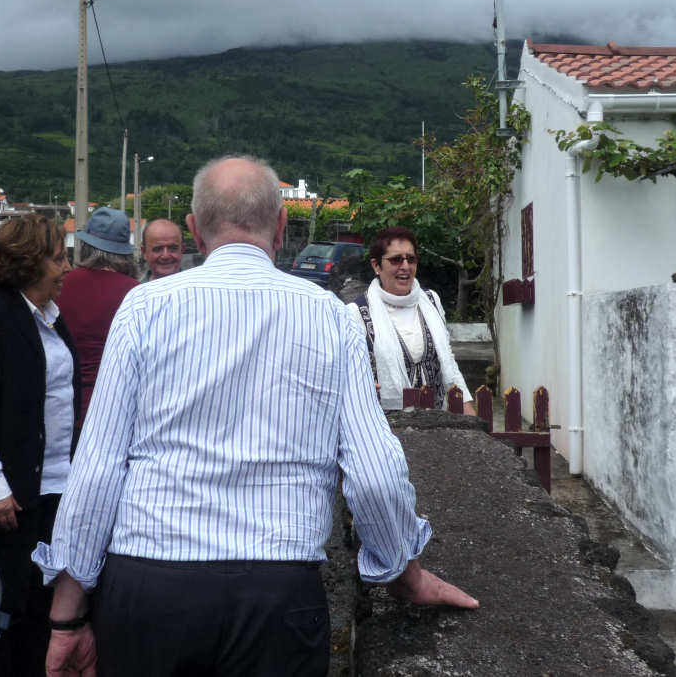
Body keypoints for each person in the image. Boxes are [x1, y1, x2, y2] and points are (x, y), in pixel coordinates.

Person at [35, 155, 477, 677]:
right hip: (278, 593)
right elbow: (375, 473)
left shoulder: (144, 307)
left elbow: (98, 463)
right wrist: (405, 571)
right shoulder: (330, 316)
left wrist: (67, 616)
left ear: (194, 230)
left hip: (149, 585)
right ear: (282, 225)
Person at [0, 214, 81, 677]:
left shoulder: (48, 316)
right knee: (12, 606)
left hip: (54, 484)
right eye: (58, 258)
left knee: (44, 604)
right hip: (14, 496)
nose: (66, 268)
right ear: (29, 263)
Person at [347, 225, 477, 415]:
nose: (405, 266)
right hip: (384, 424)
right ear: (376, 265)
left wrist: (466, 406)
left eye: (411, 259)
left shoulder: (431, 301)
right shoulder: (356, 313)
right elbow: (349, 375)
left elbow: (447, 361)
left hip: (437, 421)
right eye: (396, 260)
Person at [54, 207, 139, 420]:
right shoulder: (136, 293)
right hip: (117, 409)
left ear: (85, 246)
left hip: (65, 406)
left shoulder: (59, 286)